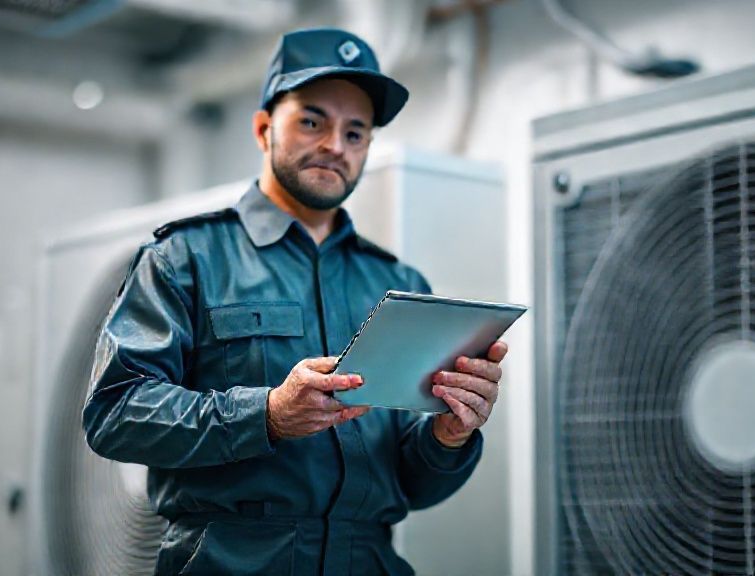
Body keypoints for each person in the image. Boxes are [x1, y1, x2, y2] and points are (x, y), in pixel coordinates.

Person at [82, 28, 509, 576]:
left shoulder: (397, 281)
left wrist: (448, 437)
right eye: (312, 121)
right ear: (263, 129)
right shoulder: (185, 257)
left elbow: (414, 483)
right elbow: (115, 413)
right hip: (227, 562)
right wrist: (267, 414)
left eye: (356, 132)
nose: (336, 144)